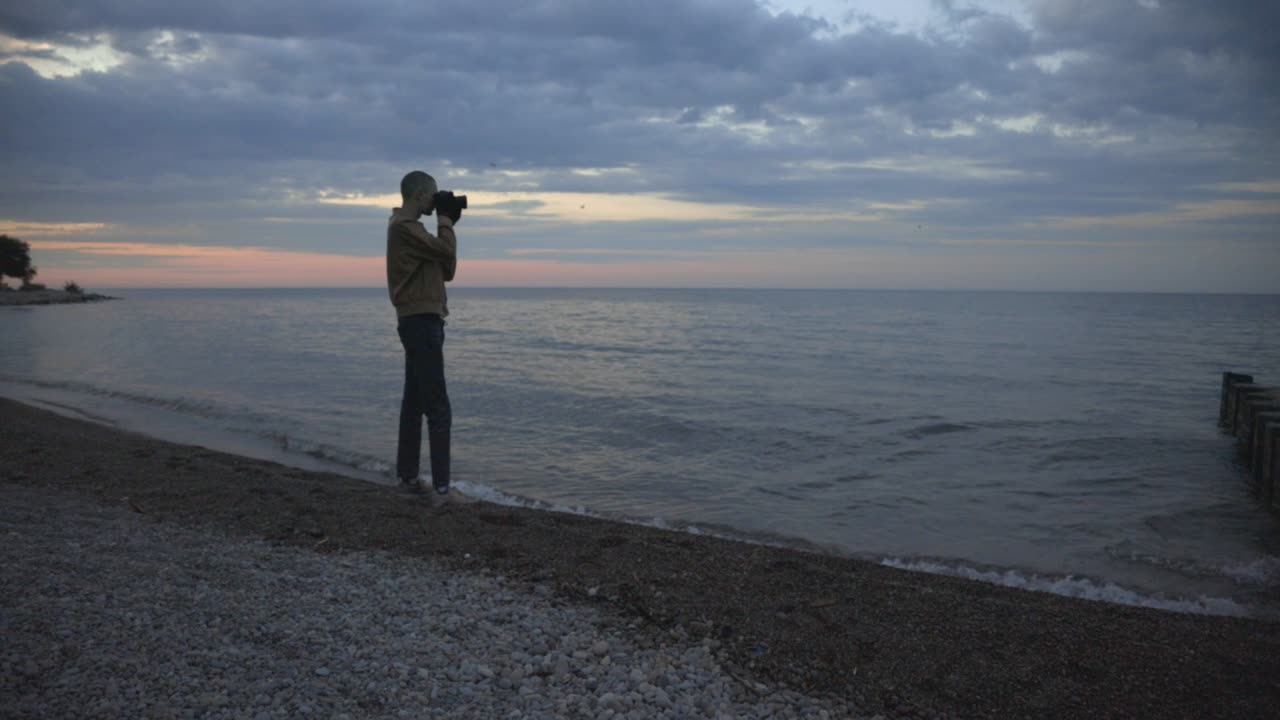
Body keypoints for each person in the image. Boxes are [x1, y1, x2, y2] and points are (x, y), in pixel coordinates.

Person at [387, 170, 460, 499]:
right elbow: (445, 253)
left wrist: (446, 225)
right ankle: (443, 489)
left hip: (422, 320)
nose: (436, 201)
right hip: (421, 322)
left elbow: (447, 270)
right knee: (438, 406)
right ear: (418, 196)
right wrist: (445, 221)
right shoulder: (404, 228)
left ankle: (407, 478)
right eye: (433, 196)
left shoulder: (413, 232)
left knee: (414, 402)